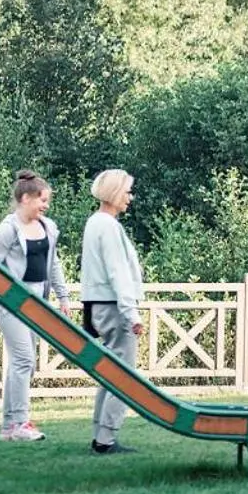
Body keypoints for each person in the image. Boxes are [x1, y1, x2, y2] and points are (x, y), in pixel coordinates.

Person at [0, 170, 72, 441]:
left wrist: (63, 296)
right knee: (24, 360)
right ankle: (21, 423)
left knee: (23, 364)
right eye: (42, 200)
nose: (46, 206)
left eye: (47, 202)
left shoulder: (48, 227)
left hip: (37, 300)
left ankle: (9, 427)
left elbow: (52, 264)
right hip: (10, 300)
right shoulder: (7, 230)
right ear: (25, 198)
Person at [81, 168, 145, 456]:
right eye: (127, 192)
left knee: (111, 372)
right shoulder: (107, 226)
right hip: (113, 307)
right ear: (115, 193)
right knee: (123, 375)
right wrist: (131, 314)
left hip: (99, 305)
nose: (130, 198)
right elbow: (118, 272)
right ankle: (106, 438)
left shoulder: (94, 223)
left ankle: (100, 434)